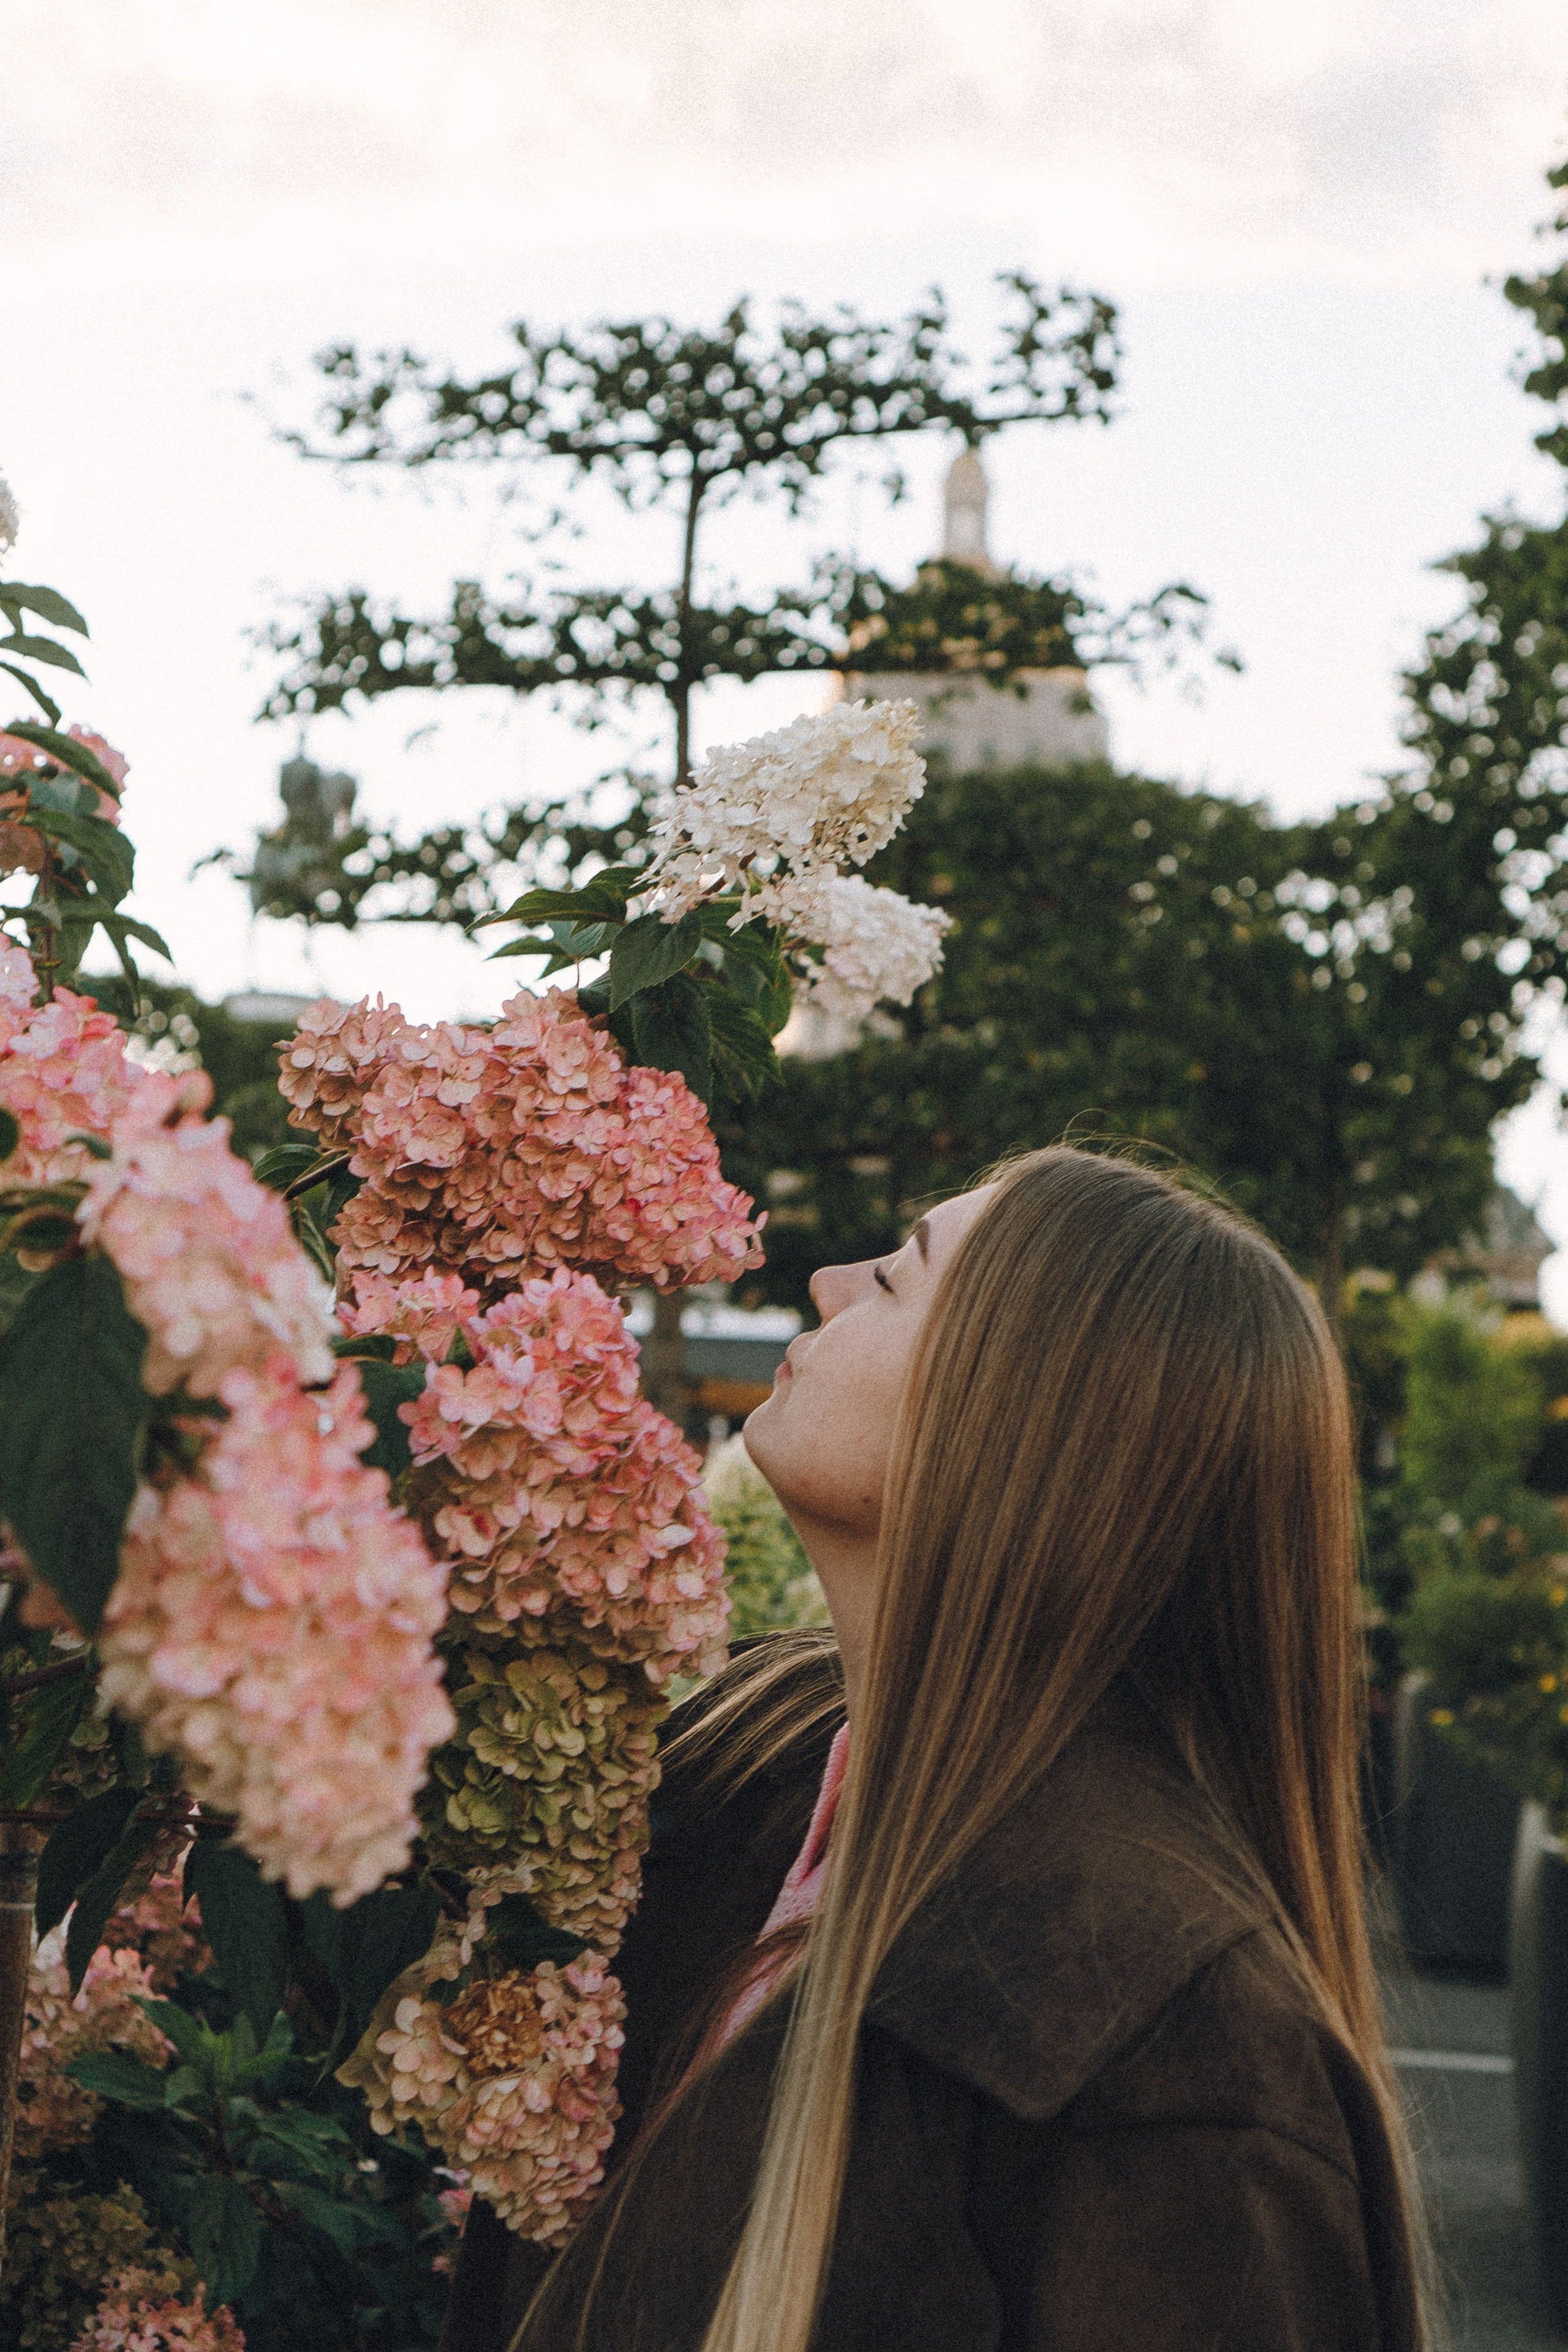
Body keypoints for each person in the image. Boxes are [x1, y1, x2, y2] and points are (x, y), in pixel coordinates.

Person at [443, 1147, 1431, 2352]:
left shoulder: (1177, 2056)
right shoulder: (753, 1761)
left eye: (895, 1278)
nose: (822, 1284)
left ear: (1023, 1423)